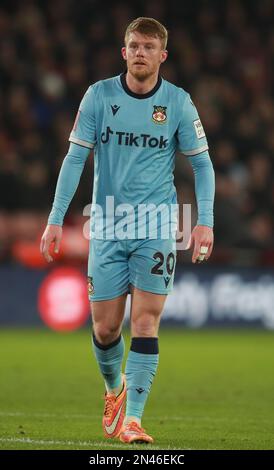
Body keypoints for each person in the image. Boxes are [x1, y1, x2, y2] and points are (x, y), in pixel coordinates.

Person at [40, 17, 215, 444]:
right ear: (124, 52)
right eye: (134, 45)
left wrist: (205, 222)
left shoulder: (178, 102)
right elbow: (74, 160)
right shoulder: (98, 96)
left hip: (158, 225)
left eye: (148, 47)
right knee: (104, 329)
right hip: (107, 224)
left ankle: (133, 420)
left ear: (162, 55)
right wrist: (55, 218)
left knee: (146, 322)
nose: (140, 52)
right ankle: (114, 388)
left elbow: (202, 165)